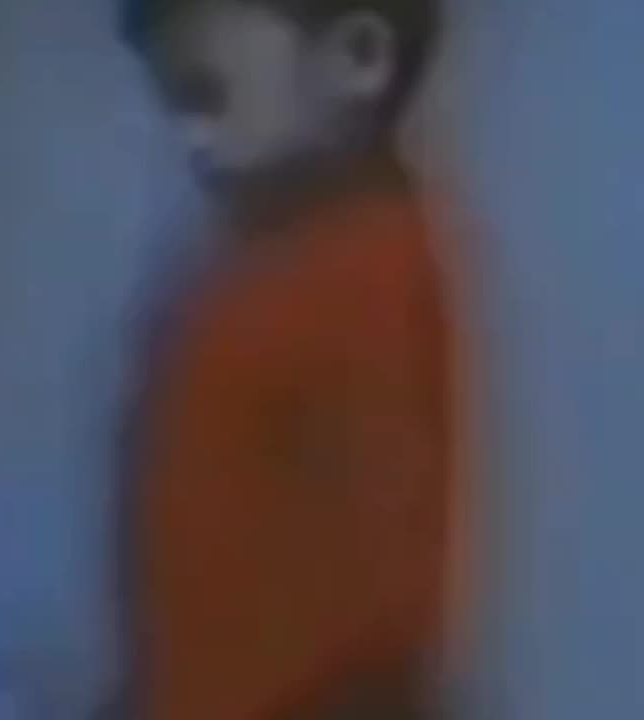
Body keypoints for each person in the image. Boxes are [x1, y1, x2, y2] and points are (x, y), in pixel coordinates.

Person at [118, 0, 464, 718]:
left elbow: (381, 573)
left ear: (357, 58)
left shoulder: (368, 270)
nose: (189, 140)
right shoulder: (258, 271)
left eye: (210, 96)